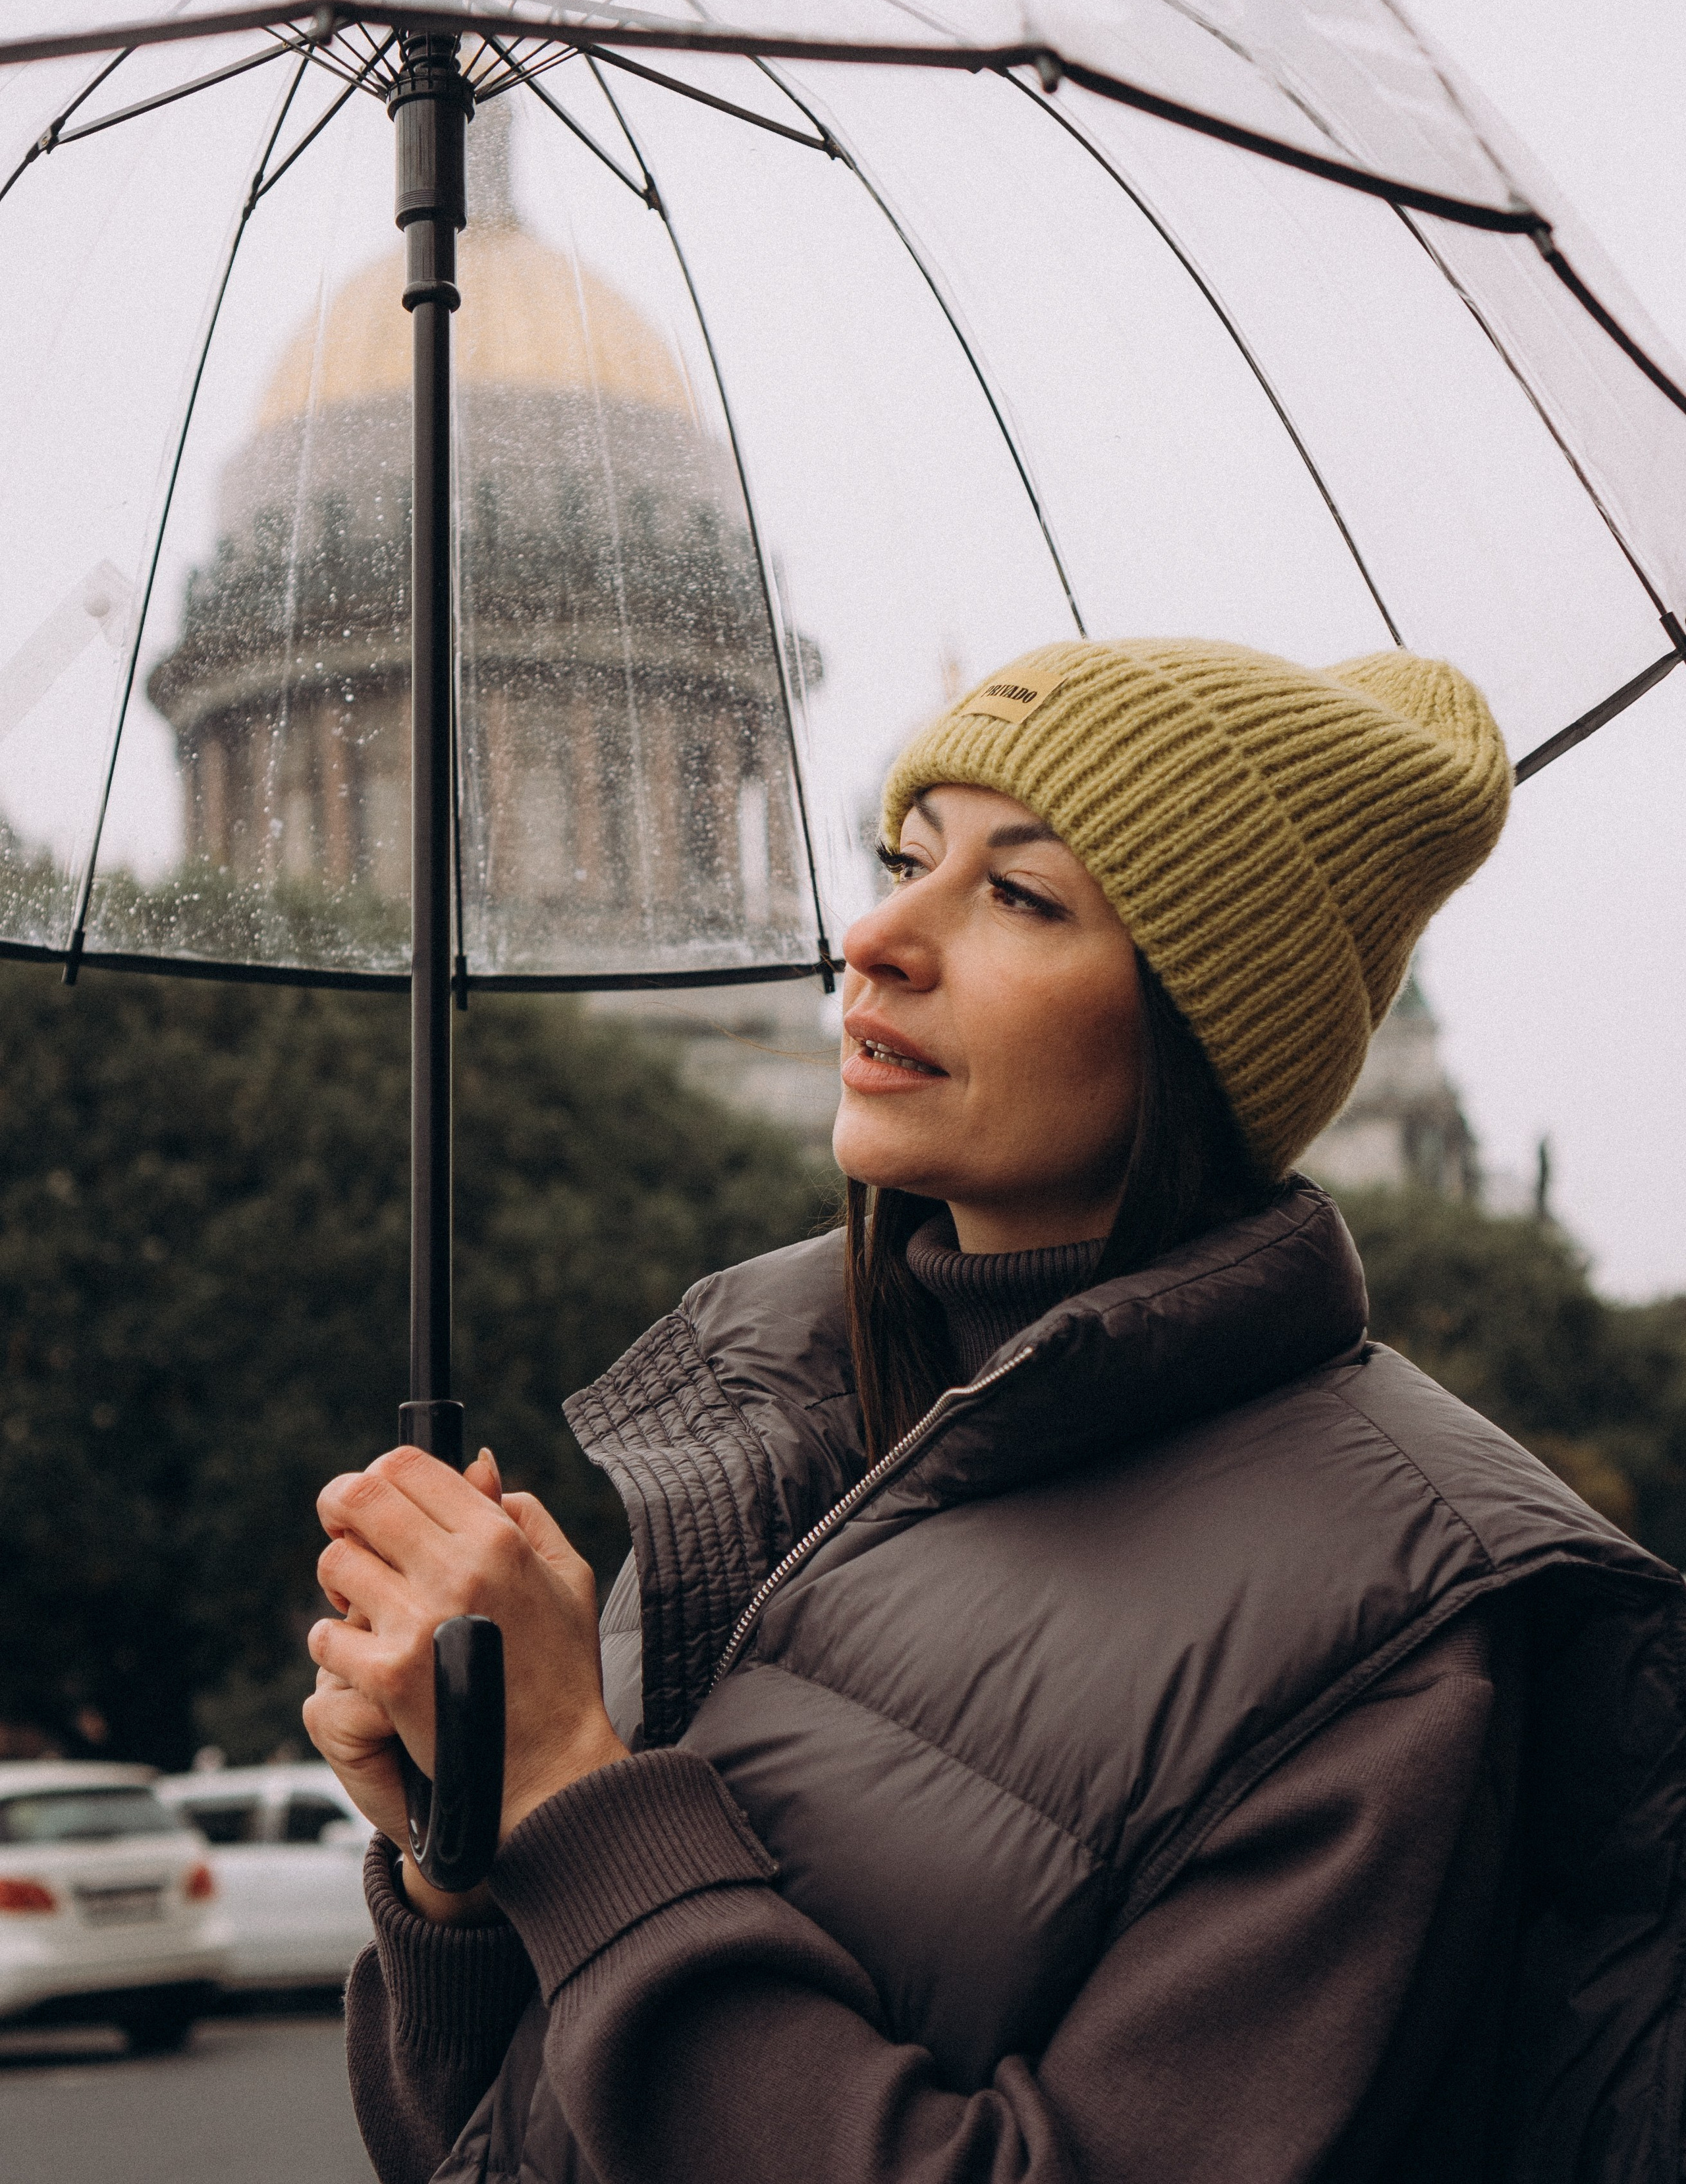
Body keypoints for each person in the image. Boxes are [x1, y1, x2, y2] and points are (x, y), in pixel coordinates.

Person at [305, 638, 1686, 2184]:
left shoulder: (1403, 1615)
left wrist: (573, 1788)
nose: (876, 934)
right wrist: (467, 1855)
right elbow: (497, 2146)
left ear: (1202, 1032)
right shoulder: (771, 1431)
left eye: (1018, 896)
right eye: (903, 858)